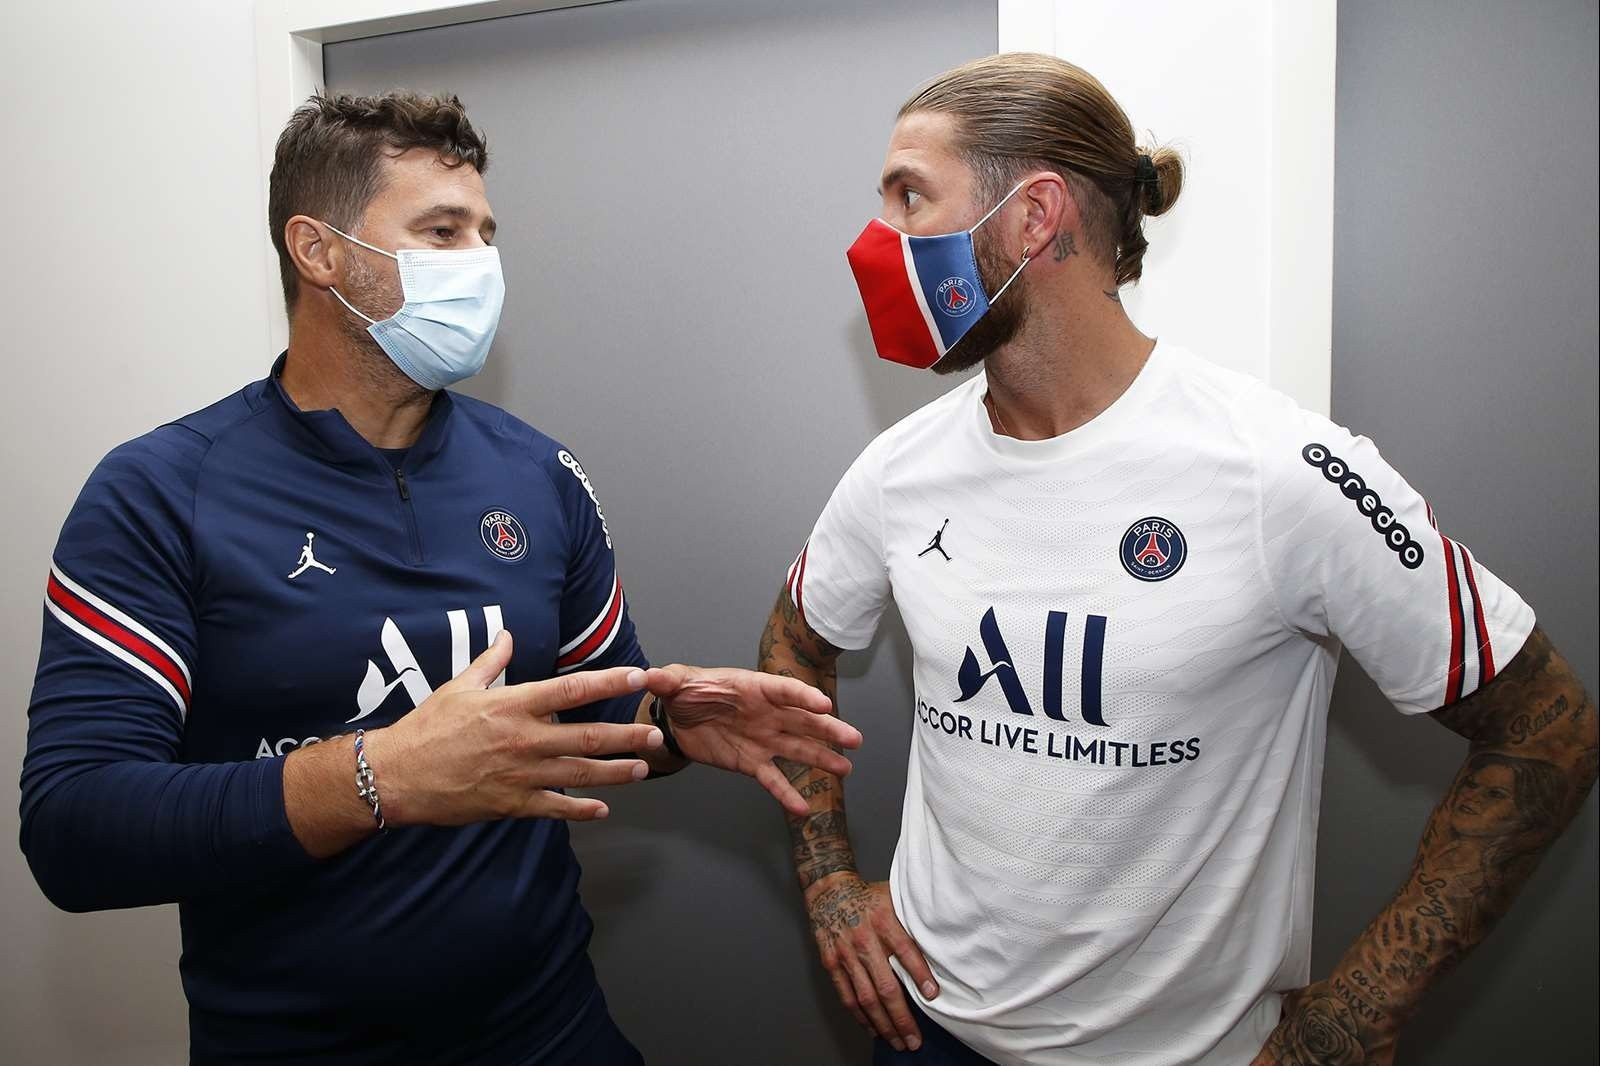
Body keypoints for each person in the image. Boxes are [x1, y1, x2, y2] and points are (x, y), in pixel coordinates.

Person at [758, 53, 1597, 1066]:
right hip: (928, 1029)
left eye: (908, 197)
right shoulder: (899, 471)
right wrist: (830, 882)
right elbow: (795, 641)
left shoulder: (1274, 469)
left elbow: (1546, 728)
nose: (874, 243)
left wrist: (1343, 1023)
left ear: (1034, 218)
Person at [19, 91, 861, 1066]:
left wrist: (672, 725)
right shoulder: (161, 492)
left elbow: (595, 717)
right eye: (440, 230)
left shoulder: (538, 474)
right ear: (319, 251)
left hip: (551, 1028)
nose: (479, 263)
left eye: (486, 233)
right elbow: (76, 827)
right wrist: (379, 777)